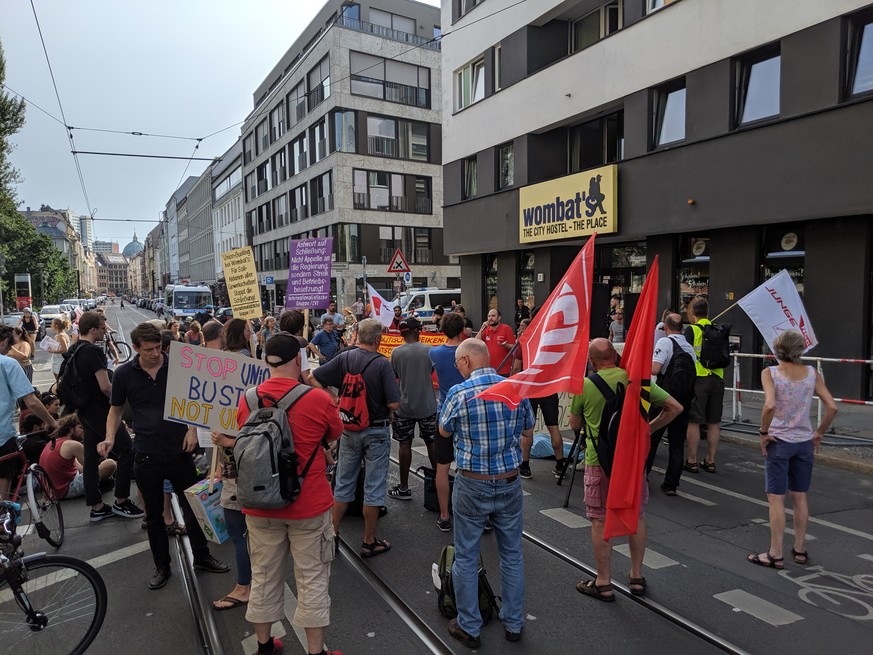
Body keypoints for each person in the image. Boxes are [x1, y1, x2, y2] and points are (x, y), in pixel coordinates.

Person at [236, 333, 344, 655]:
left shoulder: (248, 398)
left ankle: (265, 647)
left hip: (260, 505)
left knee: (265, 575)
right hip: (308, 505)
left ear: (266, 361)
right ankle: (315, 651)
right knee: (312, 578)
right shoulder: (317, 399)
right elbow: (335, 432)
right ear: (299, 359)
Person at [101, 322, 229, 590]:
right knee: (155, 516)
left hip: (179, 449)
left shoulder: (177, 365)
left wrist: (192, 430)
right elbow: (115, 409)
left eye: (159, 347)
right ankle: (162, 566)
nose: (156, 353)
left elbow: (195, 399)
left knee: (192, 507)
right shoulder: (124, 374)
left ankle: (202, 556)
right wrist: (110, 437)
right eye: (149, 350)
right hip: (147, 452)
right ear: (135, 348)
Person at [568, 339, 682, 601]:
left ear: (592, 361)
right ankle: (636, 576)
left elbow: (574, 424)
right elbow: (675, 408)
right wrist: (648, 429)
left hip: (599, 462)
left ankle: (604, 581)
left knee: (599, 520)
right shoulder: (636, 380)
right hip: (631, 464)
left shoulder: (585, 386)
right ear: (615, 356)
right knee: (637, 516)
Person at [439, 339, 534, 648]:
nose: (457, 369)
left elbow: (443, 429)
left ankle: (469, 626)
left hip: (472, 483)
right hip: (509, 482)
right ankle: (514, 622)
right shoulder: (515, 388)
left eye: (457, 364)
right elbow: (528, 427)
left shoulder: (459, 392)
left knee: (465, 555)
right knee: (511, 554)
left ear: (466, 361)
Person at [310, 318, 400, 559]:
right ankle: (369, 541)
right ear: (378, 339)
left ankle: (332, 535)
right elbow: (394, 403)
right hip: (377, 431)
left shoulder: (345, 358)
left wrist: (333, 398)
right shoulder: (383, 364)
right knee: (374, 487)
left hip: (348, 429)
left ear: (358, 336)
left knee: (343, 483)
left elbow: (312, 378)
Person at [747, 330, 837, 570]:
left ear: (777, 350)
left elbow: (769, 405)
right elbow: (832, 407)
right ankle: (799, 549)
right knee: (799, 496)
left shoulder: (770, 373)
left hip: (780, 441)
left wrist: (764, 433)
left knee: (776, 499)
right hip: (804, 442)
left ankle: (775, 553)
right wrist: (819, 432)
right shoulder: (811, 374)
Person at [72, 311, 143, 522]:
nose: (105, 332)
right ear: (93, 330)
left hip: (84, 413)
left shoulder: (74, 349)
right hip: (101, 413)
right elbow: (105, 387)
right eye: (103, 328)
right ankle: (121, 500)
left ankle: (97, 507)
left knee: (92, 459)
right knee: (127, 451)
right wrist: (123, 399)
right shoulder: (93, 352)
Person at [0, 325, 58, 498]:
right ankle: (3, 517)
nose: (10, 350)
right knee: (4, 479)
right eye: (10, 346)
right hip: (2, 436)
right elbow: (31, 402)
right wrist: (51, 421)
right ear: (3, 342)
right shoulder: (8, 364)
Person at [646, 312, 697, 495]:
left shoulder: (664, 342)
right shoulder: (688, 346)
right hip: (683, 400)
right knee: (676, 443)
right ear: (682, 328)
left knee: (651, 437)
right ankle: (671, 485)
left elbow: (655, 369)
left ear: (665, 327)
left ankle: (643, 475)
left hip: (664, 398)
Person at [387, 318, 438, 501]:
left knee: (404, 444)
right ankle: (439, 484)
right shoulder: (429, 351)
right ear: (417, 331)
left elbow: (394, 378)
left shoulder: (396, 353)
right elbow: (431, 372)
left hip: (404, 406)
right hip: (428, 405)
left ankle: (404, 487)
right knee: (432, 443)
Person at [512, 318, 565, 480]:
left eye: (522, 326)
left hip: (530, 389)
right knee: (553, 426)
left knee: (527, 431)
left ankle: (525, 466)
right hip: (548, 387)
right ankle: (560, 464)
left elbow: (516, 367)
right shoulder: (550, 342)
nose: (520, 329)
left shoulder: (525, 343)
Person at [429, 312, 466, 531]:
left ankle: (444, 515)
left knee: (442, 467)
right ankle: (474, 513)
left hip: (444, 412)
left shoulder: (434, 352)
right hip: (469, 413)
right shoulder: (471, 350)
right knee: (468, 466)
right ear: (462, 329)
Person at [683, 297, 724, 473]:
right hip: (717, 378)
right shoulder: (717, 329)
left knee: (694, 421)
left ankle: (692, 460)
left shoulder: (691, 330)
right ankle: (710, 460)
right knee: (713, 422)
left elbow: (685, 354)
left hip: (699, 378)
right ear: (707, 312)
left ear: (692, 312)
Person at [40, 413, 116, 499]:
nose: (84, 431)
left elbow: (80, 468)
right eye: (81, 428)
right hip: (66, 489)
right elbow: (90, 469)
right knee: (111, 463)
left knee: (102, 468)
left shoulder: (54, 442)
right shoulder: (73, 445)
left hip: (52, 492)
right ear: (70, 429)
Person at [475, 309, 515, 375]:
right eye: (489, 316)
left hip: (503, 370)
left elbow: (513, 347)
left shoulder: (506, 329)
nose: (490, 318)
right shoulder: (486, 329)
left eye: (493, 316)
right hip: (488, 370)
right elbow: (476, 342)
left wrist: (505, 345)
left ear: (499, 318)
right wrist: (482, 329)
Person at [278, 309, 312, 383]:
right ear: (300, 329)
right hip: (295, 387)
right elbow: (306, 375)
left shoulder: (273, 343)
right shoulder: (299, 344)